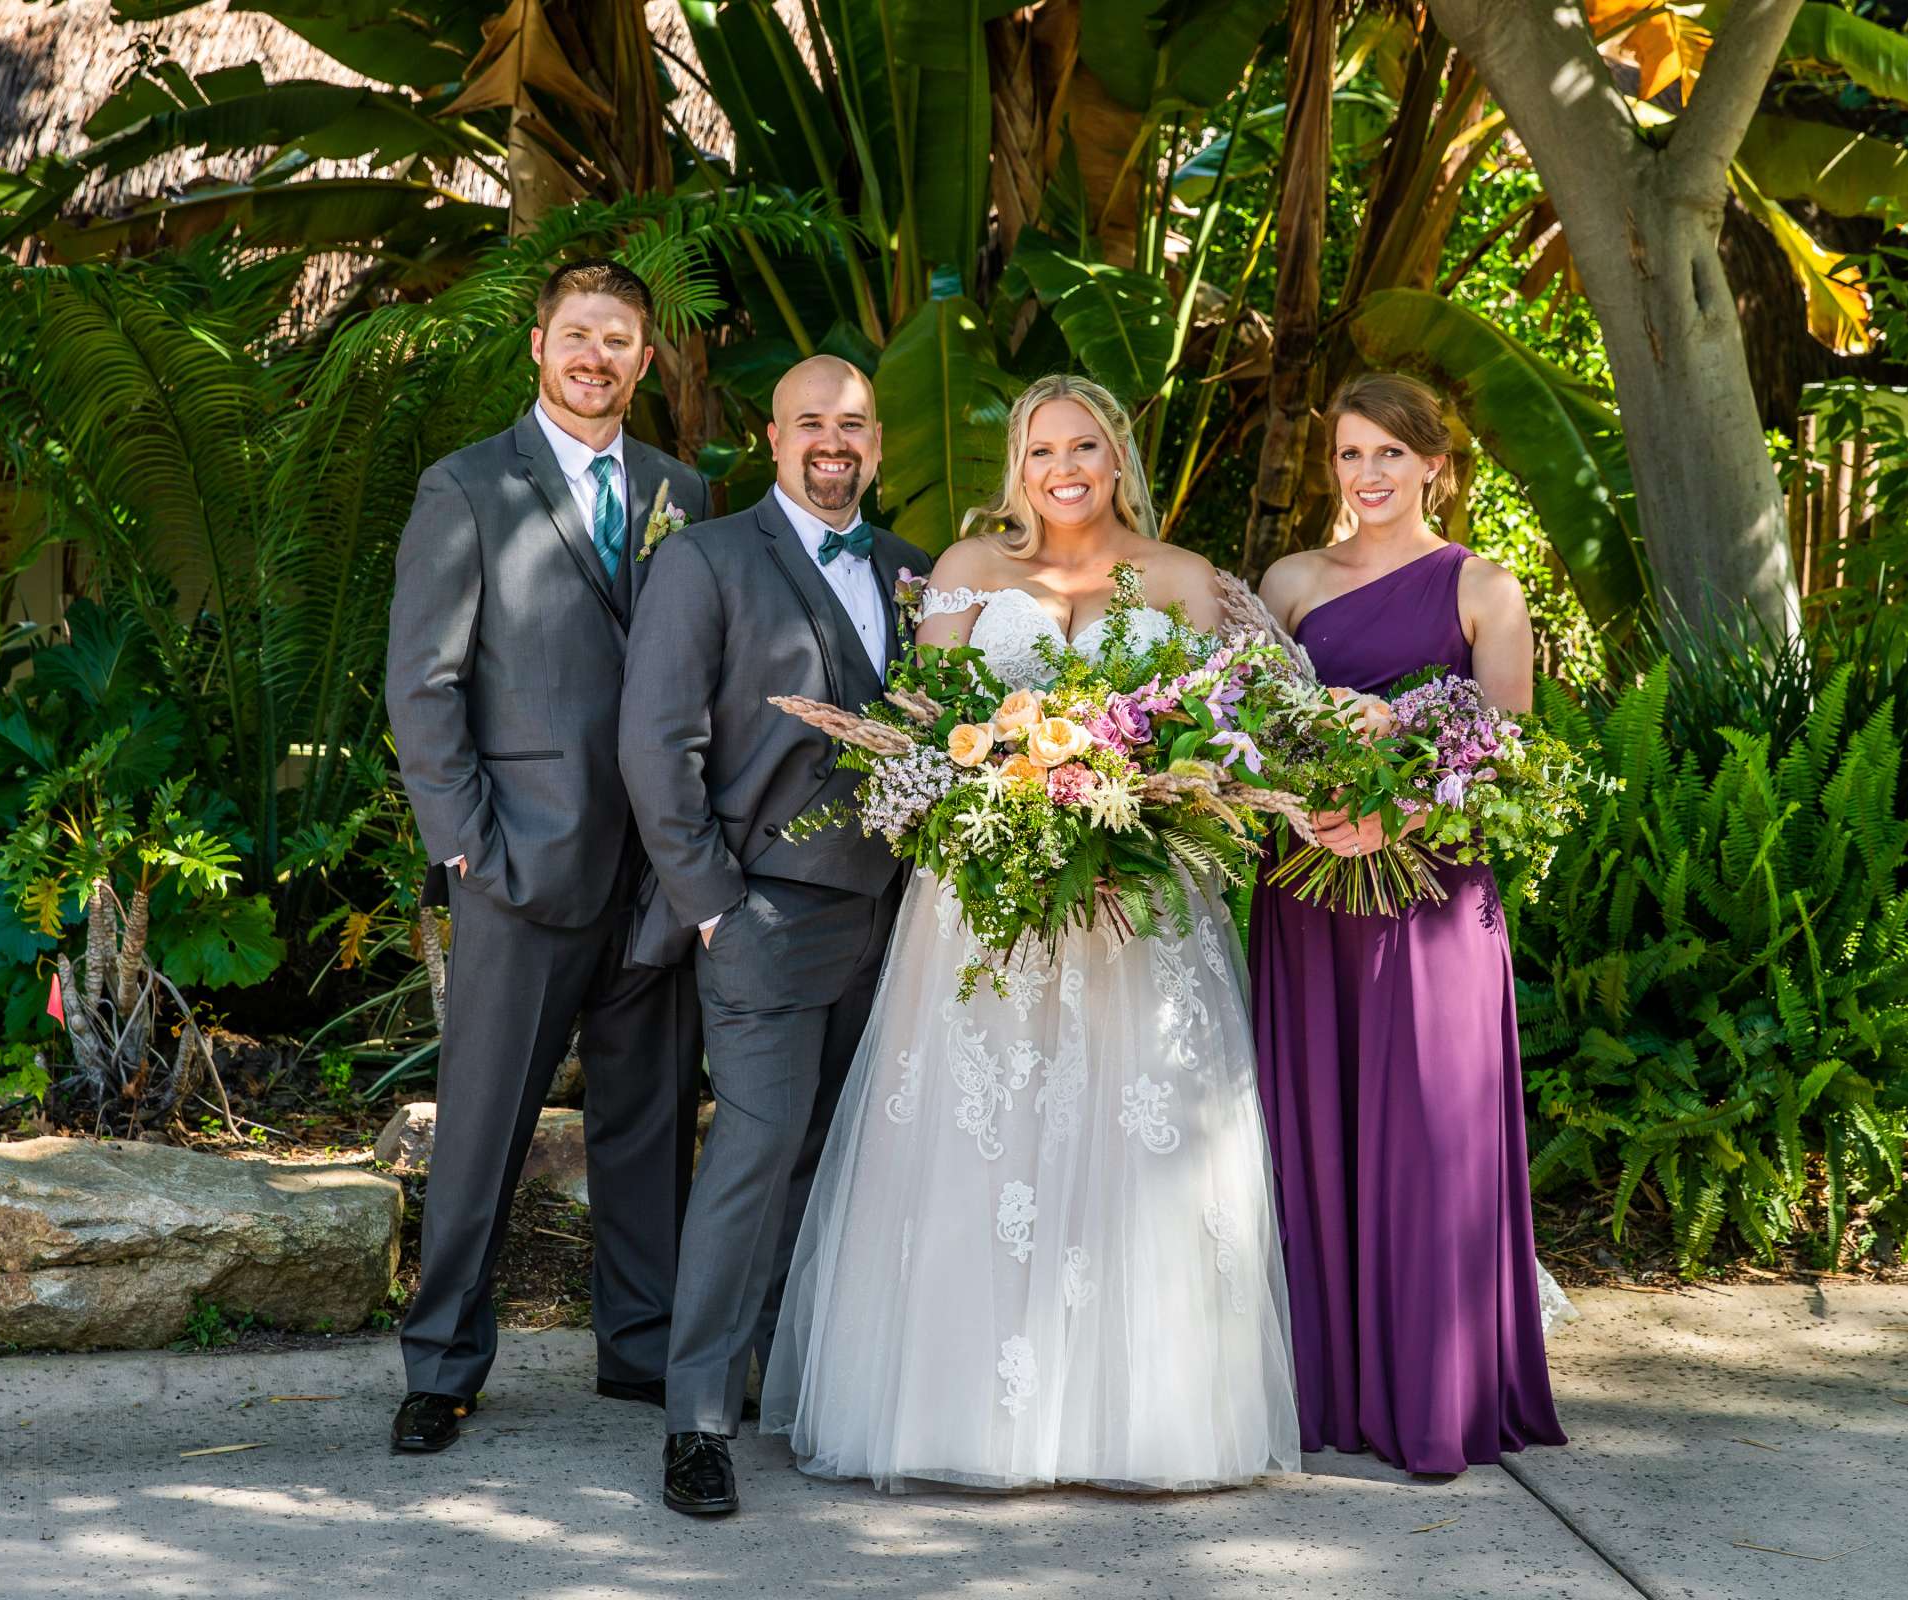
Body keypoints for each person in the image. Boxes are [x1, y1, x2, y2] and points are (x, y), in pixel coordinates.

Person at [760, 373, 1302, 1494]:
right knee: (985, 1136)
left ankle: (1141, 1421)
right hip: (984, 904)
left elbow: (1212, 739)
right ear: (1019, 461)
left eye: (1086, 447)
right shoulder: (967, 573)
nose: (1064, 468)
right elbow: (929, 723)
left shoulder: (1182, 579)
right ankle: (965, 1415)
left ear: (1117, 458)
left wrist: (1132, 794)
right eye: (1043, 448)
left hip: (1137, 902)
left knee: (1129, 1132)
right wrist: (1008, 794)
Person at [383, 259, 708, 1455]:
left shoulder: (685, 487)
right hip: (521, 865)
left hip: (658, 869)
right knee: (480, 1124)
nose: (596, 357)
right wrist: (468, 848)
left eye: (619, 340)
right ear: (538, 345)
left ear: (645, 359)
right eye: (578, 334)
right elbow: (423, 685)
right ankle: (444, 1362)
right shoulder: (468, 487)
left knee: (650, 1117)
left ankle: (641, 1346)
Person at [620, 355, 933, 1517]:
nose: (833, 441)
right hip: (760, 913)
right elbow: (659, 748)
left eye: (853, 423)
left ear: (879, 441)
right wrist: (714, 906)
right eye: (812, 422)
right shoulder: (705, 560)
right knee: (751, 1154)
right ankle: (696, 1420)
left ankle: (782, 1381)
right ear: (773, 435)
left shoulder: (912, 573)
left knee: (823, 1162)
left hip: (889, 923)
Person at [1248, 370, 1569, 1476]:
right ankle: (1328, 1392)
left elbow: (1508, 765)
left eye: (1392, 453)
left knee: (1428, 1139)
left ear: (1436, 463)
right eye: (1351, 454)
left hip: (1432, 905)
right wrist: (1310, 804)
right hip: (1305, 899)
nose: (1370, 474)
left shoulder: (1483, 587)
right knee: (1317, 1137)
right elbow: (1241, 745)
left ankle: (1433, 1400)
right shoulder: (1288, 582)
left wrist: (1396, 813)